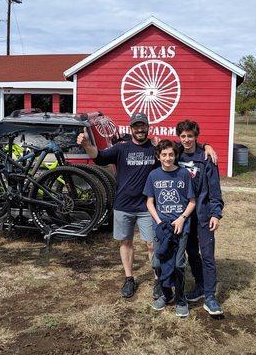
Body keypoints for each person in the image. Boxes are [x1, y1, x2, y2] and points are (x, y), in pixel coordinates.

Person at [77, 113, 217, 299]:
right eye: (136, 126)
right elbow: (99, 157)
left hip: (147, 206)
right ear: (131, 128)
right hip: (123, 204)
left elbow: (181, 145)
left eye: (143, 126)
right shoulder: (121, 148)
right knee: (126, 242)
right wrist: (86, 144)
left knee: (153, 244)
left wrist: (206, 145)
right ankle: (129, 278)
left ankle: (159, 280)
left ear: (148, 127)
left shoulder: (155, 147)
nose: (140, 129)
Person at [176, 119, 225, 316]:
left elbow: (215, 188)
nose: (187, 140)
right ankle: (200, 286)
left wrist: (216, 213)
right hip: (184, 215)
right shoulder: (175, 153)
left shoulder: (206, 158)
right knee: (191, 253)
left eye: (190, 136)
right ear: (179, 137)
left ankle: (211, 296)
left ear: (196, 137)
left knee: (207, 255)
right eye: (183, 136)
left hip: (203, 214)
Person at [144, 140, 196, 317]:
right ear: (158, 156)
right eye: (164, 154)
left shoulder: (183, 174)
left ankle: (181, 300)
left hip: (180, 227)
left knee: (178, 263)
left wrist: (182, 219)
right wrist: (158, 221)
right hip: (161, 227)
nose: (168, 158)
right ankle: (166, 294)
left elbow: (192, 202)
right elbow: (149, 202)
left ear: (176, 155)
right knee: (158, 261)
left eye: (171, 154)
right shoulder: (153, 175)